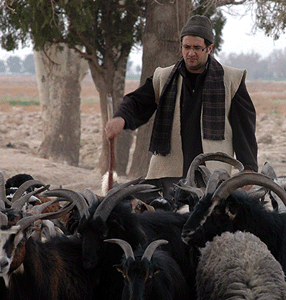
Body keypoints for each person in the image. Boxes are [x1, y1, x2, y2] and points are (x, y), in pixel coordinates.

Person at [105, 15, 258, 199]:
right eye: (186, 47)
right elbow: (138, 101)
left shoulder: (231, 79)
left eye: (197, 48)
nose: (190, 53)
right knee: (128, 204)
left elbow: (244, 127)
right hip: (169, 171)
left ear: (209, 48)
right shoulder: (164, 77)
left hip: (211, 174)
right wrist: (121, 118)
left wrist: (248, 167)